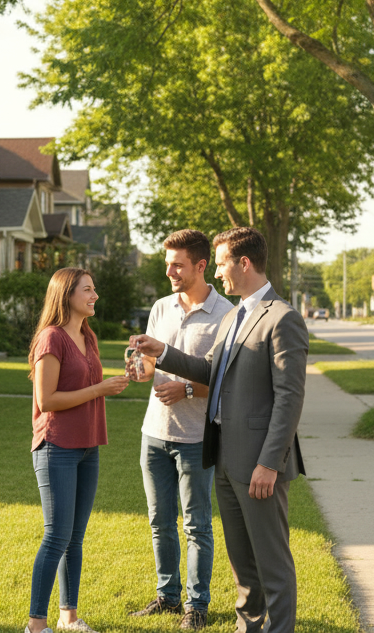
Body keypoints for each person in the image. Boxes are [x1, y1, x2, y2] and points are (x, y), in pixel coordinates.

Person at [131, 227, 308, 633]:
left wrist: (269, 463)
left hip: (259, 462)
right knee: (242, 562)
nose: (221, 272)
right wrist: (163, 353)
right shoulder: (235, 314)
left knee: (272, 561)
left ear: (244, 263)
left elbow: (289, 400)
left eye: (224, 262)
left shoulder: (283, 318)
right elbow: (210, 368)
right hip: (224, 456)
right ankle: (248, 627)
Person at [128, 230, 234, 630]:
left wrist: (187, 387)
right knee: (159, 521)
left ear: (201, 265)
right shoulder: (161, 307)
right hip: (154, 432)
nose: (169, 270)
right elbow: (152, 368)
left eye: (177, 264)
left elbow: (226, 378)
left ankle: (197, 605)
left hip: (195, 437)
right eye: (167, 263)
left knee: (196, 524)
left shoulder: (225, 313)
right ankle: (167, 597)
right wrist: (141, 369)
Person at [26, 267, 130, 633]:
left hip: (88, 446)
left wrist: (118, 379)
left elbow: (86, 382)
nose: (95, 295)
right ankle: (36, 626)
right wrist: (101, 389)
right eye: (87, 289)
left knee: (75, 537)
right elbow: (47, 399)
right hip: (56, 446)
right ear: (67, 295)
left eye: (94, 288)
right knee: (56, 535)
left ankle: (68, 617)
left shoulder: (88, 335)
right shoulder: (51, 339)